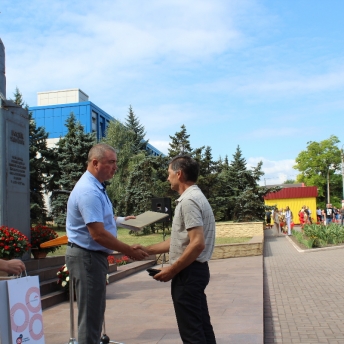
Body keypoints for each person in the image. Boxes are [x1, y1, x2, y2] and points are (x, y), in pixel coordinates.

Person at [65, 143, 148, 344]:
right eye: (111, 162)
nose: (115, 167)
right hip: (87, 257)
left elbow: (99, 217)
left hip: (91, 257)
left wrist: (120, 221)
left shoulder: (95, 186)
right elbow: (98, 235)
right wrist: (129, 251)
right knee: (91, 318)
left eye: (115, 162)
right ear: (95, 163)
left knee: (94, 312)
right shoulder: (89, 191)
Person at [142, 155, 216, 344]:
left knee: (192, 334)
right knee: (201, 327)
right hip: (195, 272)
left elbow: (197, 243)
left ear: (179, 174)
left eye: (169, 174)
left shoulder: (189, 201)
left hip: (188, 274)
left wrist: (172, 270)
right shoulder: (195, 197)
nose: (168, 178)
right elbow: (179, 241)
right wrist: (145, 250)